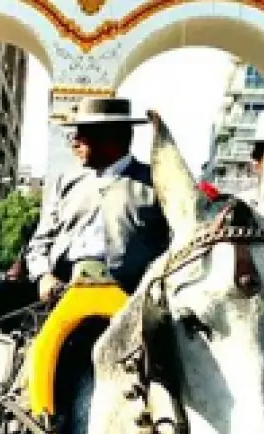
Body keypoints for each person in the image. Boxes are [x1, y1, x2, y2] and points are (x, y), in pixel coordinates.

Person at [24, 97, 171, 302]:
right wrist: (43, 276)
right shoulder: (66, 183)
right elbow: (40, 241)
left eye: (82, 133)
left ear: (112, 136)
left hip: (132, 297)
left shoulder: (157, 183)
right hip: (63, 291)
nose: (74, 141)